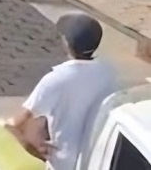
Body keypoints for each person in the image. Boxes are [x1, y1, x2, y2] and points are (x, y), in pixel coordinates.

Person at [8, 13, 118, 170]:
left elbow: (18, 123)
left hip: (64, 163)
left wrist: (34, 148)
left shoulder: (56, 79)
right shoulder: (108, 72)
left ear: (66, 43)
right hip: (99, 159)